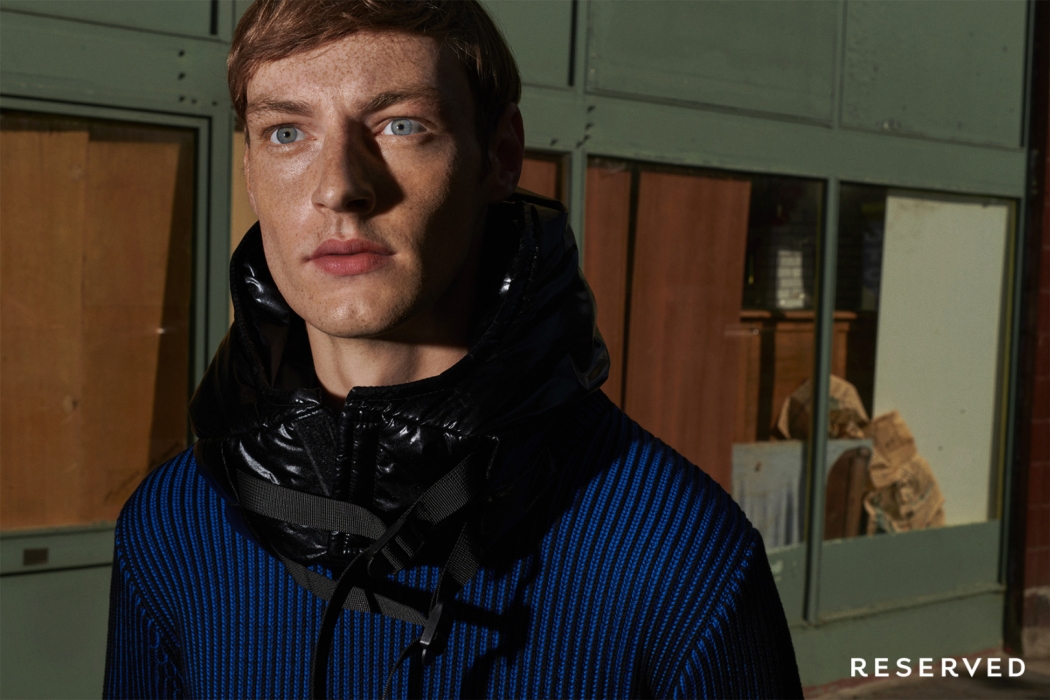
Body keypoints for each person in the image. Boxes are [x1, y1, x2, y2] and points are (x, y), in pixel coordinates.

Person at [104, 1, 802, 698]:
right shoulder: (172, 527)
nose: (339, 187)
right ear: (253, 174)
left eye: (400, 125)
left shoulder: (677, 556)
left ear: (500, 156)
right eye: (287, 132)